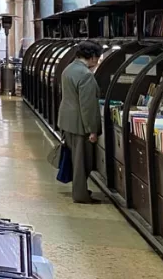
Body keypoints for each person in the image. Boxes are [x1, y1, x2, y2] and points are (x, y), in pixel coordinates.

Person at [57, 40, 103, 203]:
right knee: (82, 162)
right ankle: (81, 195)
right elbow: (88, 106)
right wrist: (92, 130)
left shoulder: (68, 69)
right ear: (91, 58)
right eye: (97, 58)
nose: (97, 62)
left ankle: (81, 192)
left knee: (75, 159)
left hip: (66, 121)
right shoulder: (86, 75)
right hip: (79, 124)